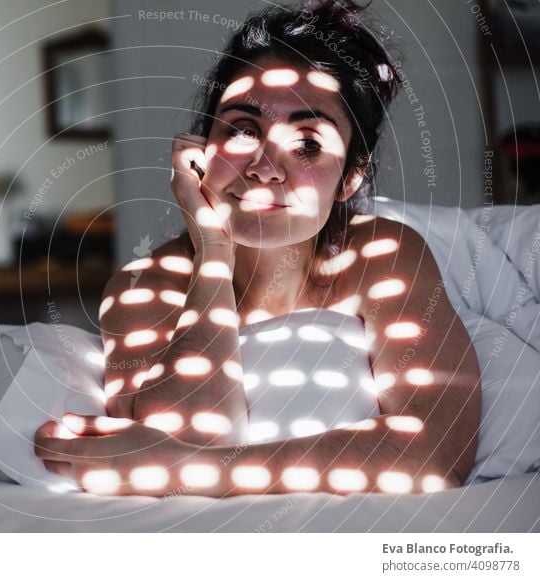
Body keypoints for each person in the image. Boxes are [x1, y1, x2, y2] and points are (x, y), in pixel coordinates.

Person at [34, 0, 481, 497]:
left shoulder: (384, 256)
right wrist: (212, 253)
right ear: (200, 151)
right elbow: (189, 429)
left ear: (351, 175)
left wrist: (193, 469)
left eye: (308, 143)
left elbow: (434, 455)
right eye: (243, 129)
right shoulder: (145, 286)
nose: (265, 167)